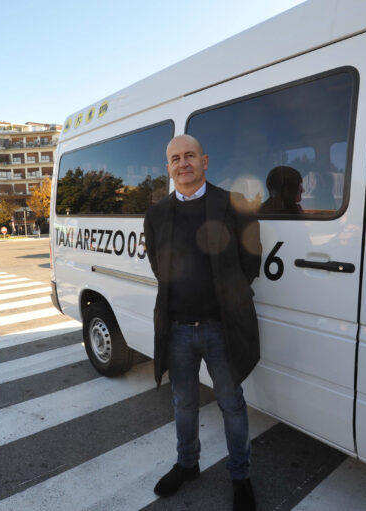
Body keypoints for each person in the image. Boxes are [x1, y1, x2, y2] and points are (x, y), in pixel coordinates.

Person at [144, 134, 262, 511]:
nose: (183, 163)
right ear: (168, 168)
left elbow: (251, 263)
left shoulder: (234, 204)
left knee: (232, 403)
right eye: (175, 158)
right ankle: (187, 464)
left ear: (205, 161)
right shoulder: (157, 213)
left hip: (220, 327)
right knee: (183, 404)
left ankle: (240, 476)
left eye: (190, 155)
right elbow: (157, 265)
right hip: (177, 328)